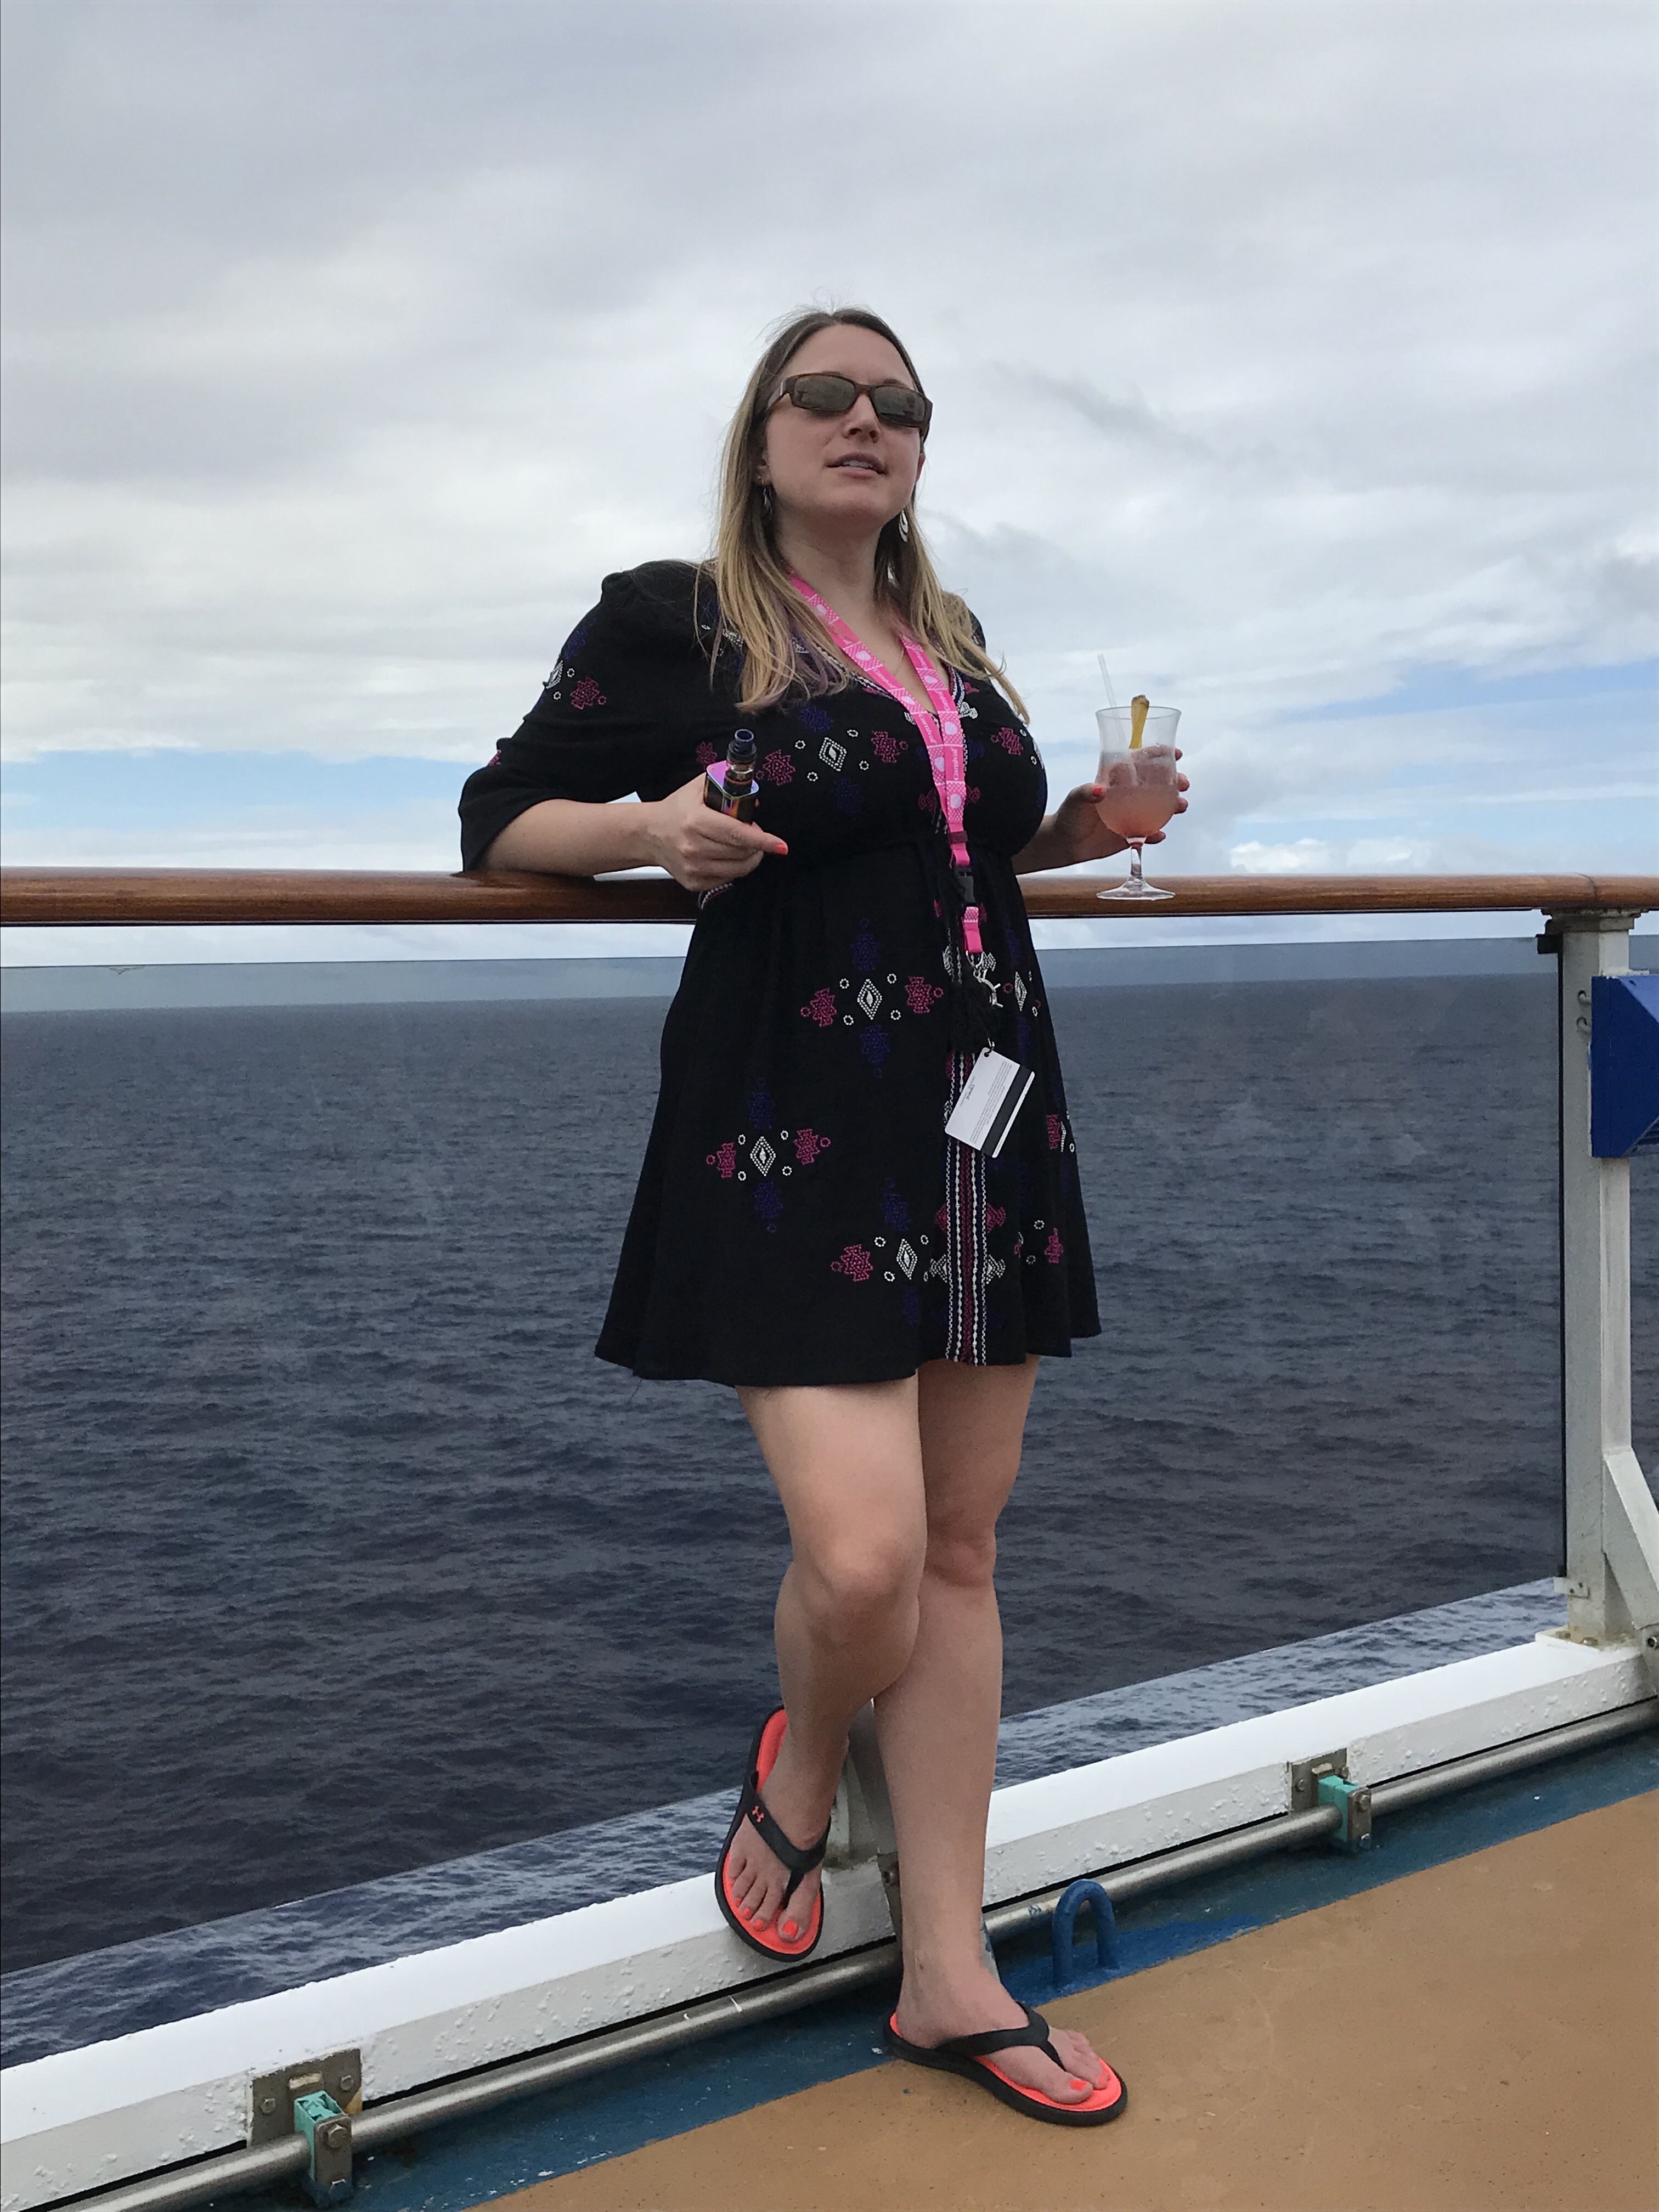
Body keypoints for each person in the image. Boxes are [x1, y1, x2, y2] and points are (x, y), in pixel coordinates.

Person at [458, 306, 1186, 2125]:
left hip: (982, 1121)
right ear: (764, 434)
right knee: (865, 1561)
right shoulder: (683, 621)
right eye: (827, 395)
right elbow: (501, 815)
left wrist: (1079, 827)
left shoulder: (954, 643)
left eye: (900, 405)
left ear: (922, 449)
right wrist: (650, 831)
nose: (867, 421)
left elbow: (960, 839)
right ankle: (804, 1770)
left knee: (959, 1553)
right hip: (790, 1121)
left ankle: (950, 1975)